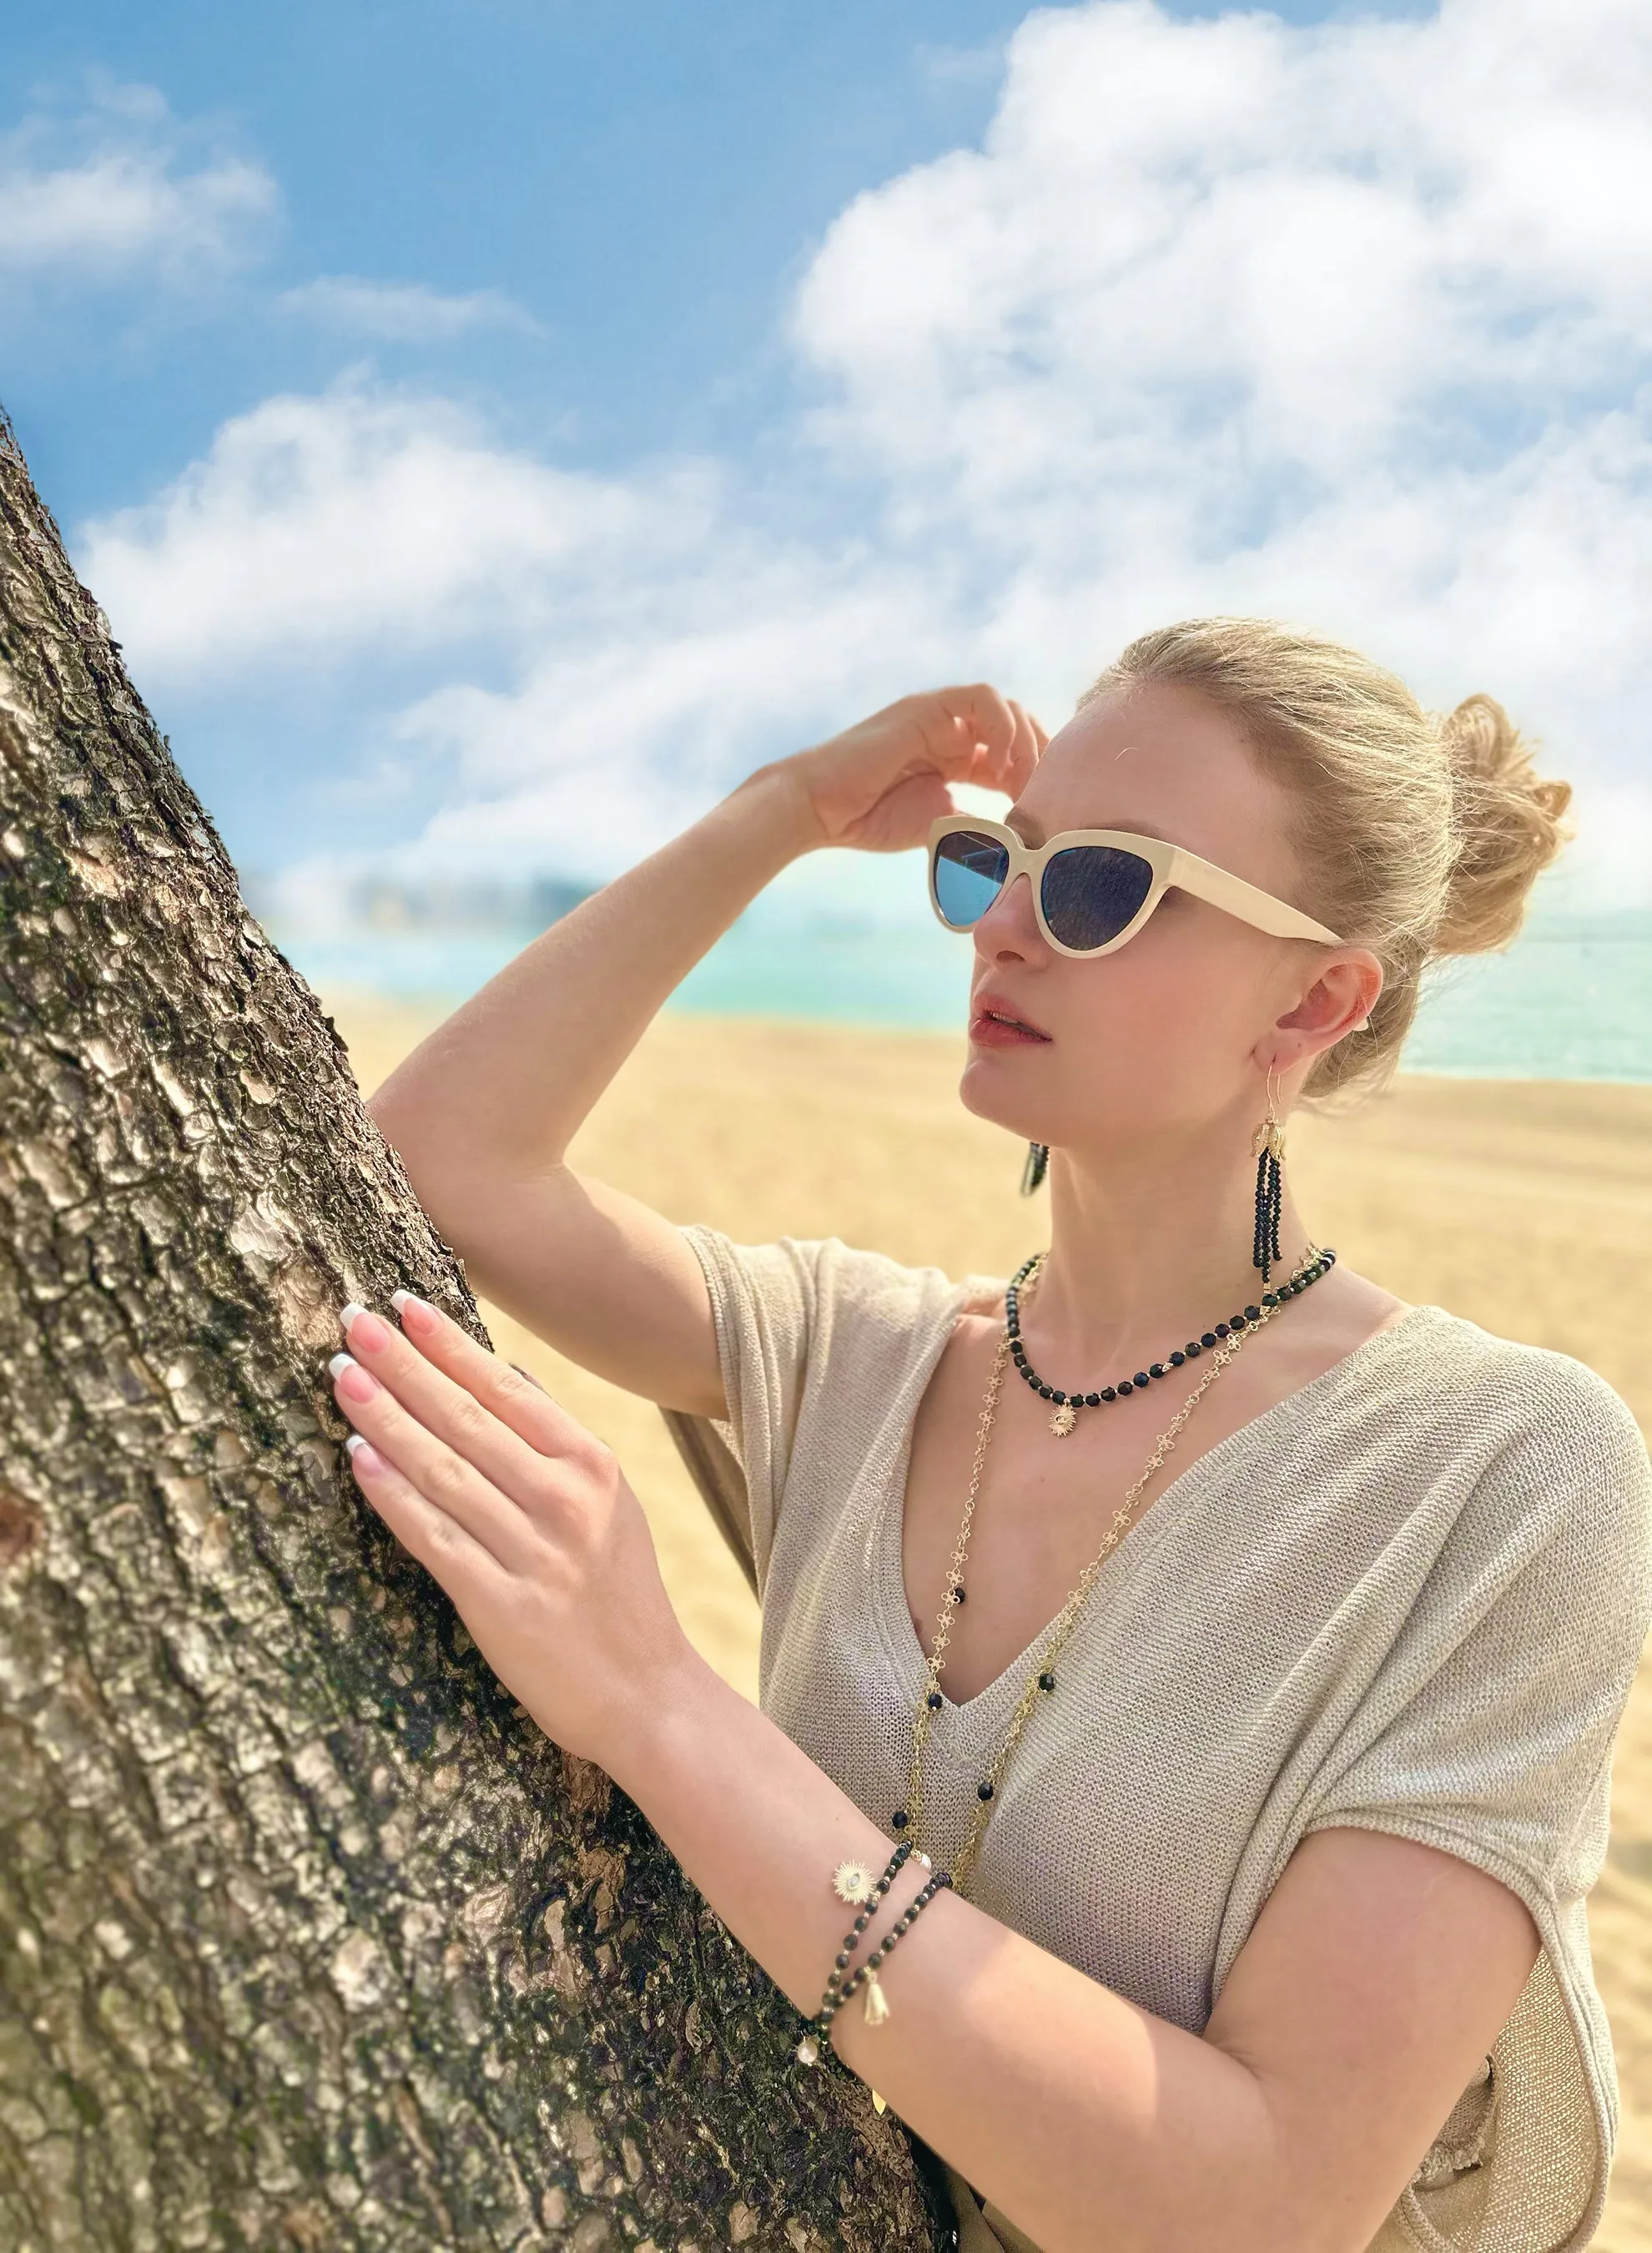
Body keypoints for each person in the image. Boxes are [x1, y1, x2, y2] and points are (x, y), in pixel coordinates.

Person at [332, 617, 1652, 2252]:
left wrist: (662, 1704)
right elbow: (436, 1161)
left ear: (1314, 998)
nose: (1006, 926)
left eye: (1101, 885)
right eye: (994, 862)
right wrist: (780, 814)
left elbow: (1265, 2204)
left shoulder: (1501, 1470)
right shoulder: (861, 1356)